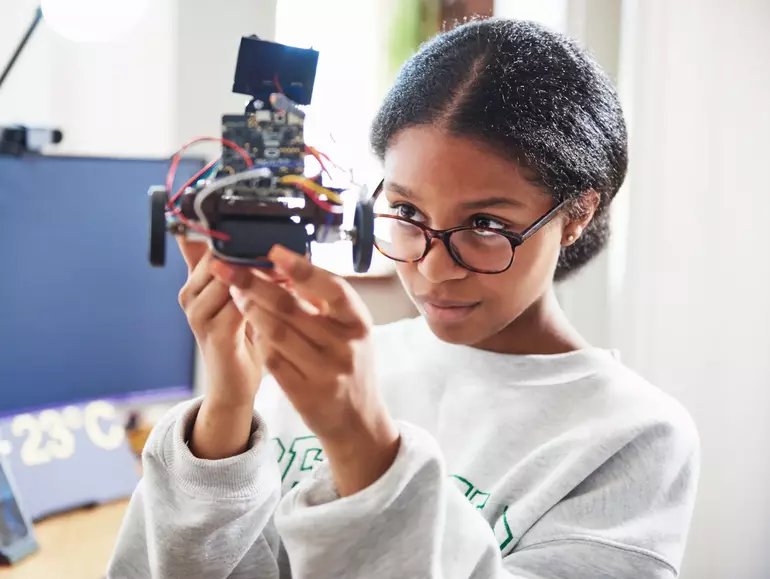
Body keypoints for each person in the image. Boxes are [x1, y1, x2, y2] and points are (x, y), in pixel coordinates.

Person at [107, 17, 699, 579]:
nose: (435, 268)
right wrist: (229, 408)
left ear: (575, 215)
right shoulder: (324, 370)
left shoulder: (635, 437)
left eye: (487, 225)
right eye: (409, 214)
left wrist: (361, 442)